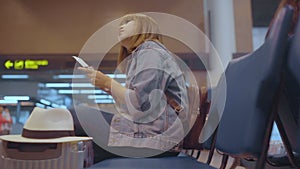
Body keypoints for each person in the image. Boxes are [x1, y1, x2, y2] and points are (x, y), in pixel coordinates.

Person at [79, 13, 189, 162]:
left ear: (144, 27)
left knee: (76, 115)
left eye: (129, 21)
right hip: (155, 135)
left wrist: (107, 83)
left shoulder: (150, 51)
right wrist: (107, 86)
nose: (121, 26)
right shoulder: (146, 53)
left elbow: (140, 103)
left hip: (155, 139)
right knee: (88, 144)